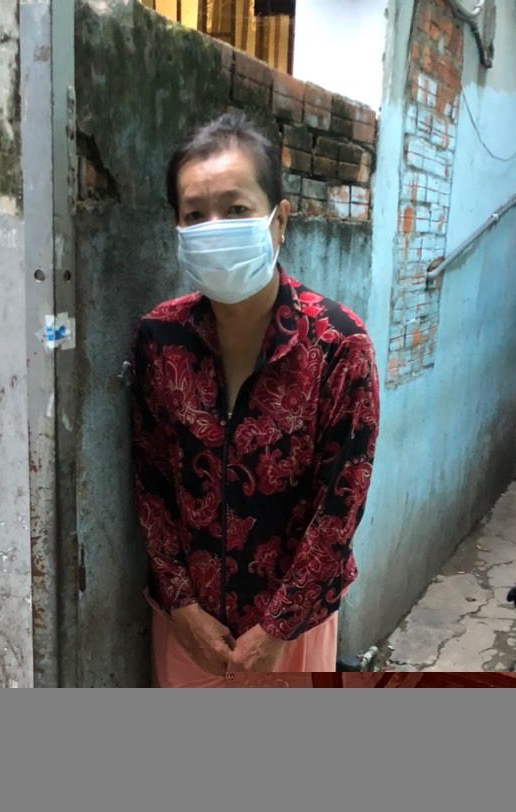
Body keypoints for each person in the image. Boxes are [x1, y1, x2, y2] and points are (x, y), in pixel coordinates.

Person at [130, 111, 380, 686]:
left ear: (278, 220)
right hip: (189, 632)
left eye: (236, 209)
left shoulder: (338, 346)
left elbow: (338, 509)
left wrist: (276, 630)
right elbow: (150, 486)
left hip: (291, 636)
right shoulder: (159, 340)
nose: (214, 227)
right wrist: (181, 608)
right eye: (195, 214)